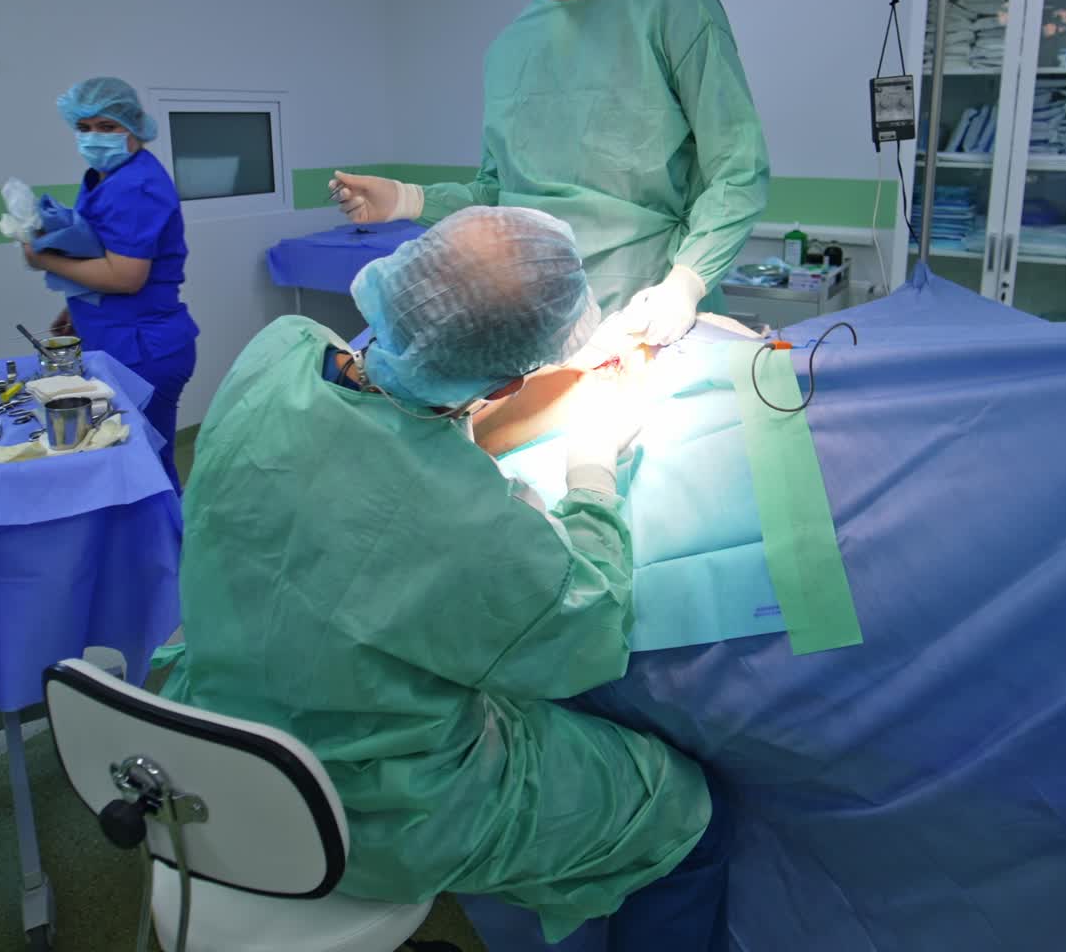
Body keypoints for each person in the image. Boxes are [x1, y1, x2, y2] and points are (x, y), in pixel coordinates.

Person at [161, 206, 729, 948]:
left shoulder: (277, 352)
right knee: (685, 810)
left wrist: (521, 368)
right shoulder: (469, 524)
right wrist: (591, 468)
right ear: (503, 379)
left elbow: (394, 404)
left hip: (211, 739)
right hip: (366, 812)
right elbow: (586, 630)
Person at [331, 0, 770, 348]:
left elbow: (737, 170)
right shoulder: (510, 47)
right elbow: (500, 196)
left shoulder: (675, 8)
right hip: (534, 319)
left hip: (648, 317)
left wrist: (686, 282)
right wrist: (407, 200)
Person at [22, 77, 198, 490]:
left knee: (144, 467)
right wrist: (79, 305)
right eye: (83, 128)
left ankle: (169, 552)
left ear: (133, 127)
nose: (93, 137)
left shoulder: (137, 184)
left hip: (144, 347)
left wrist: (41, 258)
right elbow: (102, 253)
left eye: (106, 127)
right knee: (134, 461)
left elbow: (126, 276)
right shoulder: (106, 176)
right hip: (121, 335)